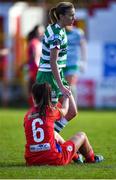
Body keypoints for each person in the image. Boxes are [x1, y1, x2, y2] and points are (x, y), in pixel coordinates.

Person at [24, 82, 104, 166]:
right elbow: (66, 110)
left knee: (54, 134)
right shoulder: (50, 111)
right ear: (49, 96)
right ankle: (91, 159)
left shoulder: (27, 115)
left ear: (33, 97)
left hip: (31, 160)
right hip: (54, 159)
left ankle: (76, 157)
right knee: (81, 135)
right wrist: (66, 97)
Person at [36, 2, 77, 133]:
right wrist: (61, 86)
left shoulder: (55, 28)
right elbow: (53, 62)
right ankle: (48, 144)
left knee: (72, 111)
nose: (74, 18)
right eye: (71, 15)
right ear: (61, 16)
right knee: (50, 116)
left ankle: (52, 138)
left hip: (55, 74)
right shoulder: (57, 35)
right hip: (49, 76)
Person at [64, 25, 87, 102]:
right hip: (61, 63)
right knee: (62, 86)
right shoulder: (60, 32)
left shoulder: (78, 32)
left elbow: (83, 46)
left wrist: (84, 61)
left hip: (73, 62)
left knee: (71, 84)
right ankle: (64, 107)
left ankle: (73, 107)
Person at [25, 25, 44, 106]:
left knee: (34, 89)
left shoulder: (37, 42)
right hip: (35, 69)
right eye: (41, 32)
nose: (42, 33)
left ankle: (35, 107)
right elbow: (34, 57)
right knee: (34, 90)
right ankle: (35, 107)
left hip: (34, 69)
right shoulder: (34, 42)